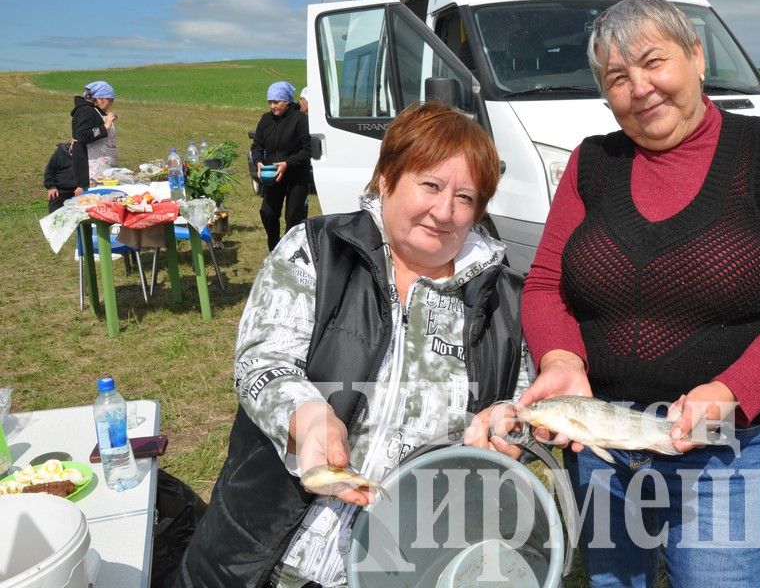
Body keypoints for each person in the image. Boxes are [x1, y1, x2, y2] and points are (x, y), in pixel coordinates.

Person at [519, 0, 760, 587]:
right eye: (618, 78)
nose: (641, 88)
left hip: (726, 450)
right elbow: (546, 285)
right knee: (611, 581)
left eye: (654, 62)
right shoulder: (591, 163)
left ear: (697, 56)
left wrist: (731, 390)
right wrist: (562, 359)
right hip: (602, 438)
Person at [177, 101, 531, 587]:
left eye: (465, 197)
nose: (444, 211)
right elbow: (262, 359)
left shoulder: (508, 302)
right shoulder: (318, 249)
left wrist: (509, 431)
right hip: (266, 553)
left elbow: (526, 411)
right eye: (429, 185)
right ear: (386, 178)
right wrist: (308, 416)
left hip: (407, 564)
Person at [251, 81, 312, 251]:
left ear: (287, 101)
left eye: (277, 102)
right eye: (270, 102)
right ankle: (274, 247)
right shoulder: (265, 119)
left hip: (296, 176)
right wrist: (258, 161)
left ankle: (290, 252)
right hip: (272, 176)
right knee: (268, 213)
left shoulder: (300, 120)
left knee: (293, 218)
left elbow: (308, 151)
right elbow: (257, 146)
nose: (273, 106)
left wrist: (287, 163)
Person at [70, 81, 118, 190]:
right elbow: (82, 135)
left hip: (100, 168)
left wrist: (107, 118)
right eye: (109, 100)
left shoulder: (94, 110)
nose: (111, 103)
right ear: (99, 98)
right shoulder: (85, 111)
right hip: (90, 171)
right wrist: (105, 126)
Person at [43, 140, 78, 213]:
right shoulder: (60, 152)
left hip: (78, 191)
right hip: (60, 191)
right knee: (55, 216)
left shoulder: (86, 153)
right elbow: (49, 171)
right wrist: (51, 187)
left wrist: (82, 186)